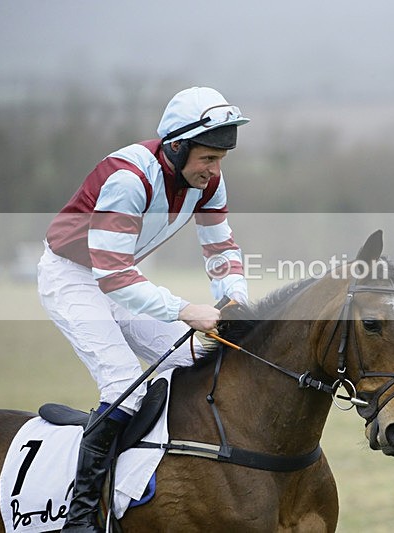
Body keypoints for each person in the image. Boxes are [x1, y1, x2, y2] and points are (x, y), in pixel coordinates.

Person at [38, 86, 250, 533]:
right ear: (177, 147)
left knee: (198, 359)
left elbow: (221, 248)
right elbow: (112, 276)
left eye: (220, 160)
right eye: (208, 158)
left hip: (119, 276)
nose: (214, 170)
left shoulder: (208, 182)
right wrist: (185, 310)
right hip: (73, 276)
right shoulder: (129, 178)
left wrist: (235, 298)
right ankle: (81, 516)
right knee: (124, 387)